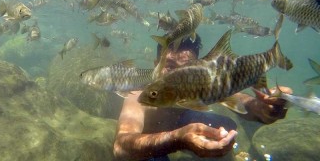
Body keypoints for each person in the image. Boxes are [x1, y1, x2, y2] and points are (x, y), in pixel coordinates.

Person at [113, 35, 292, 160]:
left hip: (189, 124)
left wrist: (262, 108)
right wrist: (177, 139)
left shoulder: (207, 82)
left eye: (186, 68)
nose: (177, 75)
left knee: (227, 128)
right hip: (154, 150)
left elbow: (242, 101)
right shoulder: (140, 96)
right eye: (169, 65)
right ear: (155, 65)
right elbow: (121, 147)